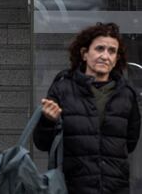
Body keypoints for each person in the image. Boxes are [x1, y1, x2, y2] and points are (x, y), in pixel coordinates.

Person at [33, 22, 141, 194]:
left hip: (115, 187)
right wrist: (48, 120)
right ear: (84, 53)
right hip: (73, 187)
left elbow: (130, 144)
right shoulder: (63, 89)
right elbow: (41, 143)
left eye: (112, 51)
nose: (105, 56)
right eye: (99, 48)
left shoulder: (127, 94)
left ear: (116, 59)